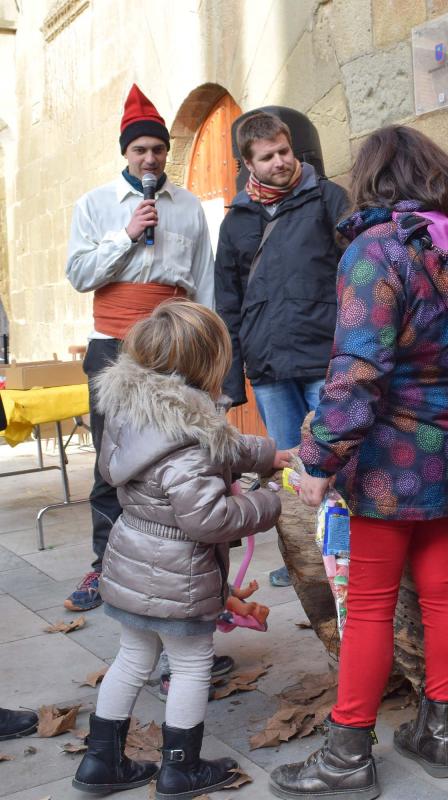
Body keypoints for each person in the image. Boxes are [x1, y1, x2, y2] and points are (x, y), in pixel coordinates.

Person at [268, 126, 448, 800]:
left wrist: (316, 457)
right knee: (444, 587)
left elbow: (358, 368)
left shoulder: (379, 250)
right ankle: (438, 731)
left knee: (370, 605)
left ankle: (347, 757)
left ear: (375, 179)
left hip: (389, 458)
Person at [71, 299, 286, 799]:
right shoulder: (190, 441)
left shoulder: (135, 414)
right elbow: (209, 517)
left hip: (131, 561)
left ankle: (100, 762)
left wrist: (269, 454)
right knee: (192, 664)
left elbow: (219, 445)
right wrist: (267, 501)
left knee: (130, 659)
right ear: (208, 366)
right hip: (179, 572)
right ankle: (180, 769)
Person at [65, 84, 215, 613]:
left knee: (179, 452)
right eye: (139, 150)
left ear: (166, 153)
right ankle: (103, 563)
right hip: (113, 347)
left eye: (156, 148)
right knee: (114, 457)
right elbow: (80, 275)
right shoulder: (95, 205)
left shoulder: (189, 206)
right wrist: (127, 234)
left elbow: (203, 283)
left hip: (174, 345)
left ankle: (185, 563)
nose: (149, 158)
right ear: (124, 154)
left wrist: (210, 353)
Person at [214, 111, 350, 588]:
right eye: (267, 157)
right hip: (269, 364)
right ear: (248, 163)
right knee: (289, 466)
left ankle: (350, 548)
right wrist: (232, 382)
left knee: (337, 458)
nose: (280, 163)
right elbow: (226, 303)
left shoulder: (329, 200)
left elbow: (356, 279)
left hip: (323, 358)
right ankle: (302, 552)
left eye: (284, 152)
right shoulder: (236, 222)